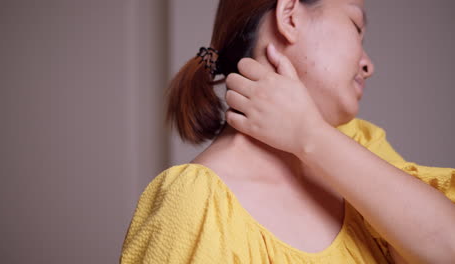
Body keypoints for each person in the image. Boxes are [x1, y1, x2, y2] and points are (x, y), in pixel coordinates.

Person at [120, 0, 455, 263]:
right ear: (290, 15)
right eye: (356, 26)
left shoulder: (361, 145)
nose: (369, 64)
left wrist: (309, 136)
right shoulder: (197, 204)